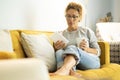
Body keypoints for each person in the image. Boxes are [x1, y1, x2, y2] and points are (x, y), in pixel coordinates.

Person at [50, 2, 101, 78]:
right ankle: (71, 72)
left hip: (91, 61)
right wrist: (56, 48)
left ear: (80, 18)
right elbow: (60, 54)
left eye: (74, 17)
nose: (71, 19)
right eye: (68, 16)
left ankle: (62, 70)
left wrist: (86, 49)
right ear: (65, 17)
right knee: (59, 52)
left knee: (72, 47)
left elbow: (98, 51)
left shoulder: (87, 31)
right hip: (74, 64)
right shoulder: (61, 34)